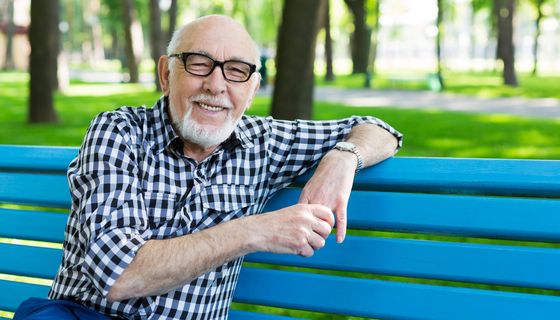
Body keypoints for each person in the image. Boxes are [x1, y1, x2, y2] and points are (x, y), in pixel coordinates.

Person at [15, 15, 402, 320]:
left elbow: (381, 130)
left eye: (236, 71)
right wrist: (254, 231)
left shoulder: (264, 143)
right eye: (199, 64)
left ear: (252, 89)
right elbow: (119, 275)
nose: (216, 85)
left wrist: (343, 157)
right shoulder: (119, 132)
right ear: (166, 74)